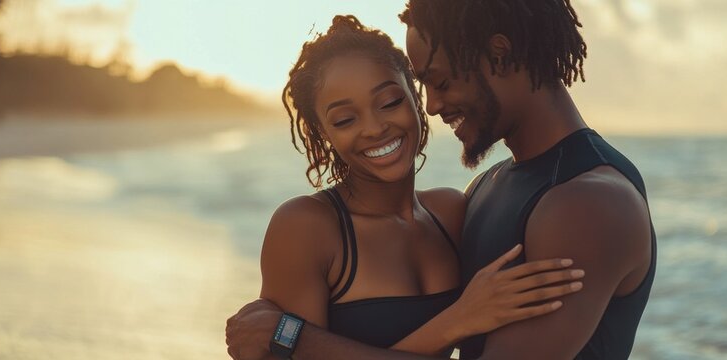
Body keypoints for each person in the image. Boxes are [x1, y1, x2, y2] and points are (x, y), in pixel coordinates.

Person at [226, 0, 656, 358]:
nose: (433, 106)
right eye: (344, 117)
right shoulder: (483, 192)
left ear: (499, 55)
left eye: (441, 82)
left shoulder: (588, 203)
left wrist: (294, 338)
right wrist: (456, 322)